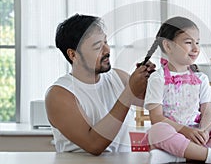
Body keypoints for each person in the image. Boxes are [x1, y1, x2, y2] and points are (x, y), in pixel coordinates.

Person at [142, 16, 211, 164]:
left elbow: (207, 113)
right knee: (157, 131)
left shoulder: (201, 79)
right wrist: (185, 131)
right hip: (172, 135)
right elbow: (156, 118)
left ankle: (176, 157)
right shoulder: (158, 78)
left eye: (197, 42)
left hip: (196, 135)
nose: (196, 48)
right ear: (168, 46)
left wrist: (204, 131)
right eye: (188, 42)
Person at [45, 14, 155, 155]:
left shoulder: (118, 77)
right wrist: (129, 92)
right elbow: (94, 145)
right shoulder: (59, 95)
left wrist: (153, 81)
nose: (107, 50)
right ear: (73, 55)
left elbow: (156, 103)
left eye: (106, 42)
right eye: (98, 47)